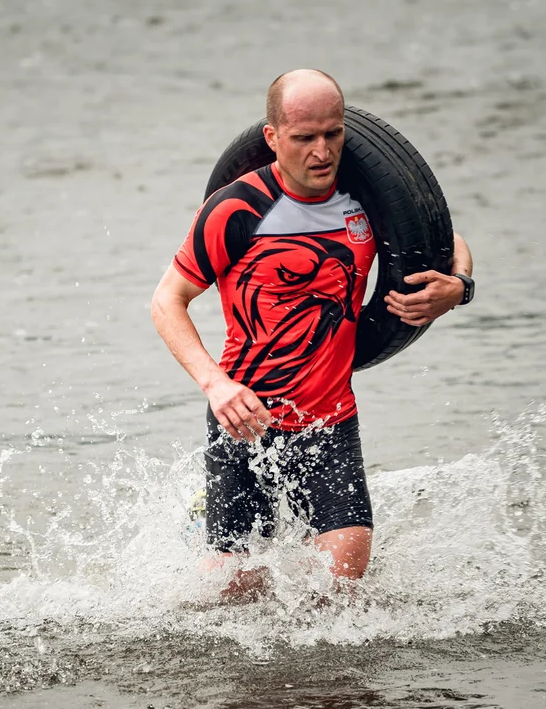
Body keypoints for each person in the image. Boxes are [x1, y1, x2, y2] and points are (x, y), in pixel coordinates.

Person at [151, 69, 475, 599]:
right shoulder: (236, 209)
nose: (322, 151)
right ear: (273, 138)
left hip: (330, 420)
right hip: (245, 419)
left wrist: (459, 286)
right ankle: (203, 515)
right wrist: (215, 385)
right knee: (233, 598)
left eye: (333, 133)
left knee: (342, 591)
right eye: (304, 137)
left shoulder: (364, 197)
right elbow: (168, 301)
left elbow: (445, 238)